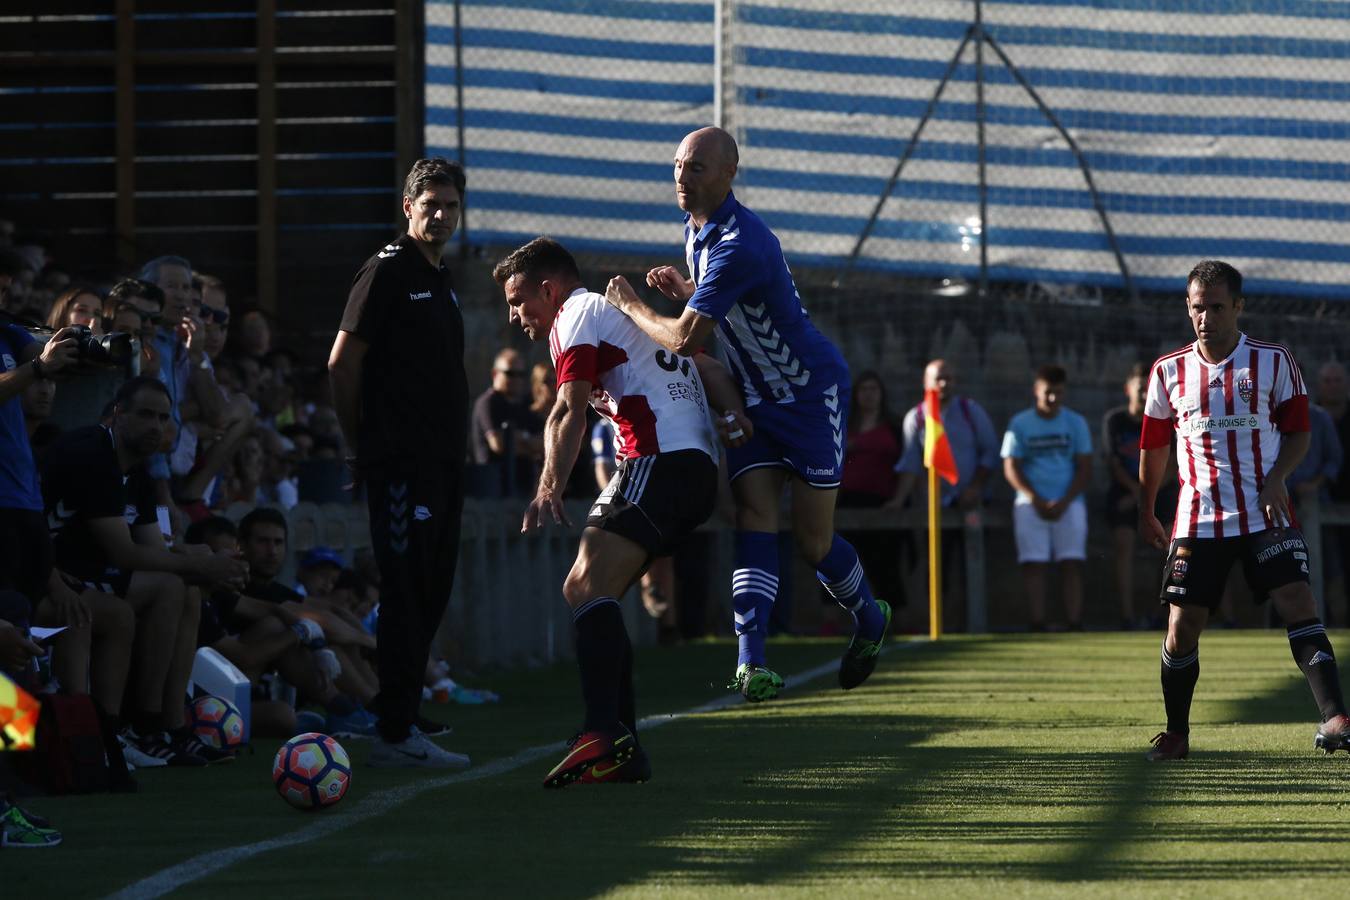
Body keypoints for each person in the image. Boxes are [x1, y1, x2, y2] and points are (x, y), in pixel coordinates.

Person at [603, 126, 892, 700]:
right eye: (679, 165)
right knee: (754, 514)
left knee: (813, 543)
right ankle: (750, 662)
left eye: (698, 168)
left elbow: (686, 340)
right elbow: (735, 309)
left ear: (730, 173)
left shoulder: (738, 242)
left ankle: (870, 618)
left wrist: (632, 306)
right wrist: (689, 289)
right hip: (756, 397)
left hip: (810, 397)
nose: (684, 177)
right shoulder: (698, 230)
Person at [495, 235, 736, 787]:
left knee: (585, 586)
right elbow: (709, 371)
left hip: (659, 459)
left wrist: (548, 485)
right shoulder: (613, 316)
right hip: (686, 468)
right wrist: (736, 418)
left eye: (518, 301)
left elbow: (567, 407)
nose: (515, 317)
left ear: (548, 288)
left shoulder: (575, 312)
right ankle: (618, 743)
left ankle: (606, 734)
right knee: (588, 589)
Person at [1139, 260, 1350, 761]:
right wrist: (1147, 508)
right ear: (1188, 309)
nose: (1206, 317)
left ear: (1238, 305)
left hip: (1264, 511)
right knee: (1181, 626)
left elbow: (1299, 431)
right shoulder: (1168, 371)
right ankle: (1176, 734)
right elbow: (1153, 446)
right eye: (1197, 307)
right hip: (1197, 516)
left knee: (1298, 601)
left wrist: (1277, 476)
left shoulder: (1274, 361)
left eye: (1216, 306)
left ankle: (1336, 717)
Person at [328, 157, 471, 769]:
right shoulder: (386, 271)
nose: (440, 215)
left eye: (451, 206)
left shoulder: (440, 277)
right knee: (406, 586)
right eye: (430, 204)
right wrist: (361, 445)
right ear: (408, 207)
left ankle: (404, 712)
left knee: (432, 587)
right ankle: (392, 730)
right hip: (400, 464)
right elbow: (341, 363)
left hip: (442, 463)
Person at [40, 376, 248, 766]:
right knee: (170, 586)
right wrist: (202, 564)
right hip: (50, 574)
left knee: (184, 588)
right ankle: (141, 726)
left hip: (85, 573)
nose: (156, 426)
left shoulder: (139, 472)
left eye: (164, 418)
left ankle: (171, 726)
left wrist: (209, 567)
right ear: (117, 415)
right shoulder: (94, 452)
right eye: (146, 415)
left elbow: (155, 549)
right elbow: (125, 554)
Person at [1001, 364, 1093, 631]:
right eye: (1048, 392)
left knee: (1072, 561)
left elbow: (1085, 467)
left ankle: (1074, 622)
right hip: (1030, 505)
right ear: (1036, 391)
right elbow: (1011, 467)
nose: (1053, 399)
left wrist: (1064, 500)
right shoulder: (1020, 424)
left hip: (1070, 503)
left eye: (1059, 393)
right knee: (1034, 563)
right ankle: (1037, 622)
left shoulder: (1075, 422)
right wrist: (1036, 499)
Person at [1101, 363, 1179, 630]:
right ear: (1128, 389)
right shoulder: (1115, 420)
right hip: (1125, 492)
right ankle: (1127, 616)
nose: (1146, 394)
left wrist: (1148, 496)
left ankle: (1164, 614)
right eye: (1141, 388)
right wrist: (1139, 496)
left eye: (1151, 389)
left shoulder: (1167, 421)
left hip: (1162, 493)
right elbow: (1114, 463)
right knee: (1124, 543)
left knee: (1170, 544)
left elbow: (1172, 464)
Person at [832, 370, 908, 612]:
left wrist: (899, 499)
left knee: (885, 564)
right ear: (855, 394)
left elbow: (908, 466)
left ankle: (895, 619)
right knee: (839, 563)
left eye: (873, 389)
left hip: (884, 503)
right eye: (863, 389)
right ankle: (833, 622)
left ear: (882, 394)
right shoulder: (842, 424)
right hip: (845, 503)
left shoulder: (895, 427)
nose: (869, 395)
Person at [470, 347, 543, 496]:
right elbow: (498, 444)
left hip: (525, 487)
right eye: (510, 374)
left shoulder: (525, 405)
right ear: (495, 373)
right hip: (494, 489)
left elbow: (543, 444)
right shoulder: (488, 403)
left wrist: (520, 438)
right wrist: (529, 445)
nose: (516, 379)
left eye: (521, 374)